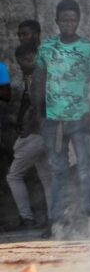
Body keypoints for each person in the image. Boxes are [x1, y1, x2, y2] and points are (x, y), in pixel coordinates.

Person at [33, 0, 90, 237]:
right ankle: (57, 222)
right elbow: (38, 81)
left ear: (79, 20)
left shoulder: (88, 49)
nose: (69, 23)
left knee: (85, 169)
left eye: (73, 19)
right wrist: (39, 115)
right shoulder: (46, 48)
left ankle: (87, 220)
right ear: (57, 21)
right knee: (57, 171)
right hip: (53, 121)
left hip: (80, 119)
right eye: (64, 19)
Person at [5, 43, 50, 231]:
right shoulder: (34, 76)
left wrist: (29, 128)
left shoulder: (38, 76)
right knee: (47, 177)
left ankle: (27, 218)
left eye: (26, 60)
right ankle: (53, 217)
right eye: (22, 61)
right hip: (45, 133)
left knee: (14, 175)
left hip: (37, 134)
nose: (24, 64)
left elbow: (38, 107)